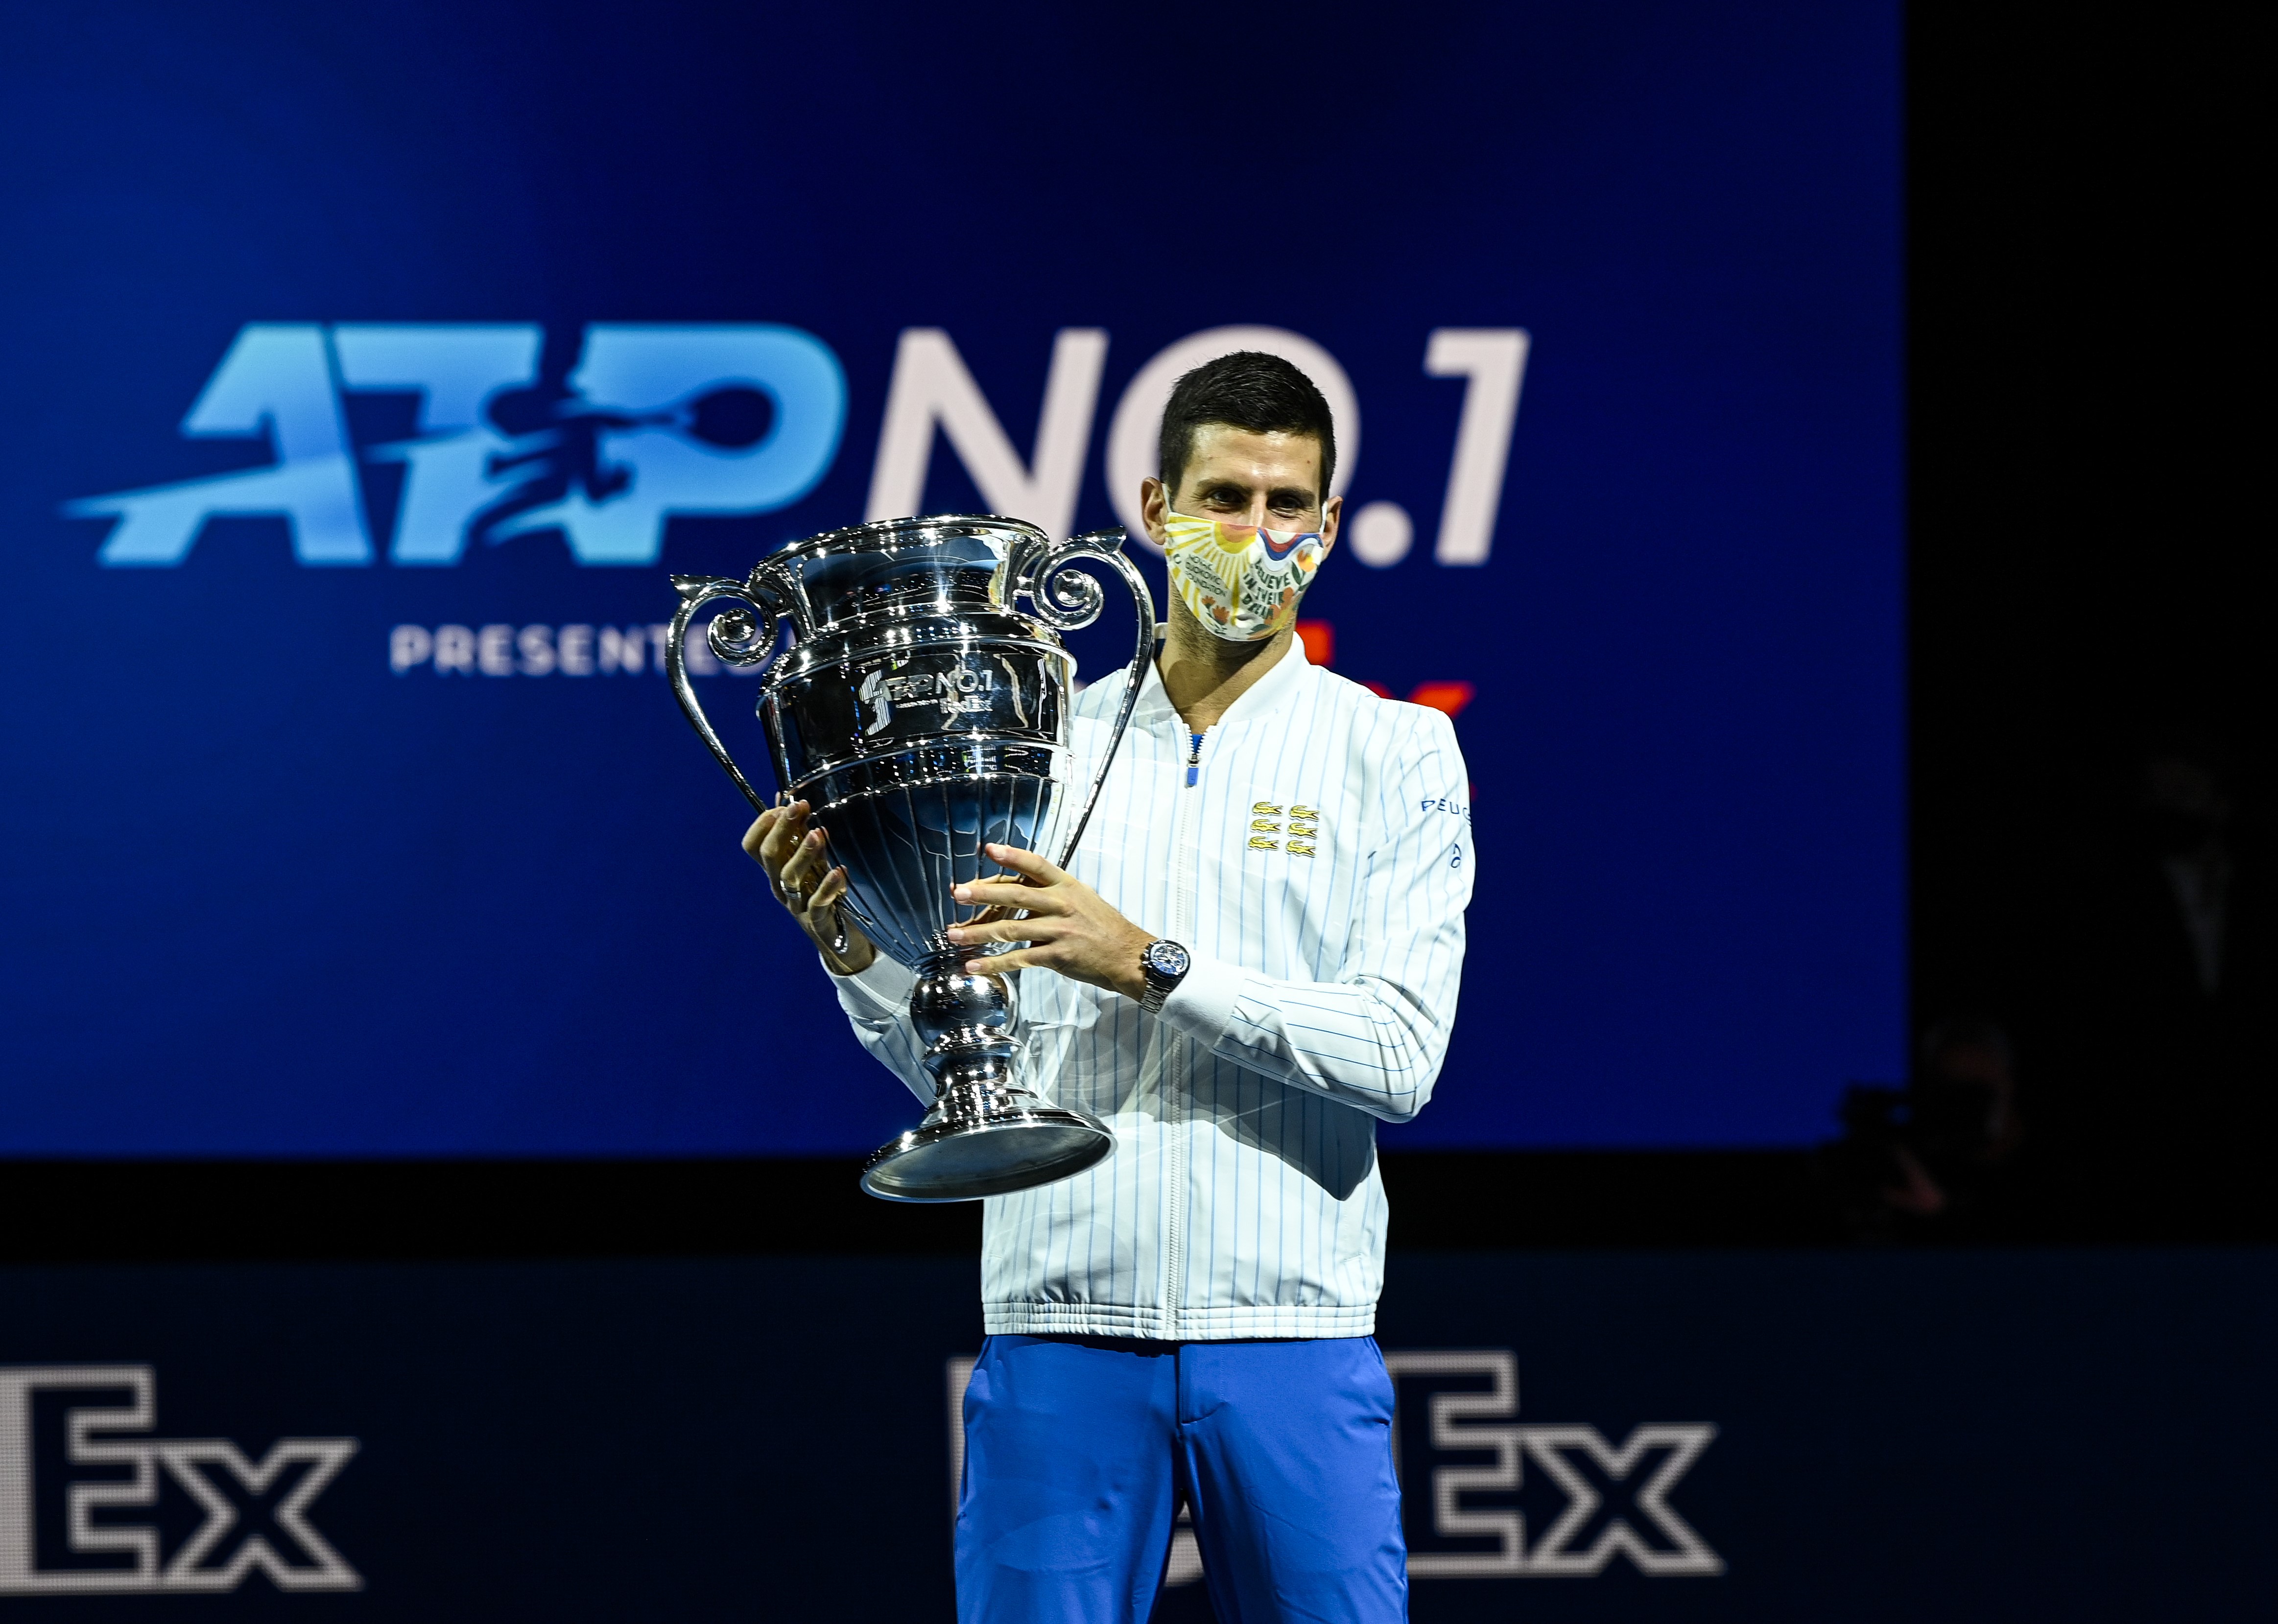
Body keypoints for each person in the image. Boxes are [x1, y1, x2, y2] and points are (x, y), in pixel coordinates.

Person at [745, 352, 1473, 1624]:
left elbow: (1398, 1058)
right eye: (1224, 499)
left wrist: (1150, 965)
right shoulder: (1035, 744)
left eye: (1285, 505)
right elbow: (969, 1075)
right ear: (1153, 509)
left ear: (1330, 525)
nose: (1256, 535)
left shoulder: (1394, 749)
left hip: (1291, 1331)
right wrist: (859, 954)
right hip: (1058, 1325)